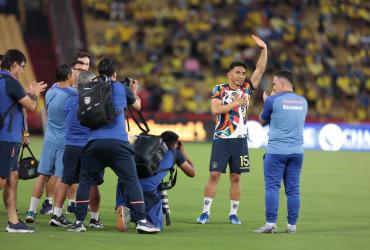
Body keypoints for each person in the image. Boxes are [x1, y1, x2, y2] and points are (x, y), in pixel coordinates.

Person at [68, 57, 159, 233]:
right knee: (131, 180)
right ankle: (141, 221)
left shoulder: (90, 86)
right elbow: (138, 107)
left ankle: (79, 222)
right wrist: (133, 90)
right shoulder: (120, 87)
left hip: (94, 142)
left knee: (85, 181)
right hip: (118, 142)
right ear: (114, 74)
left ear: (99, 72)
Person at [196, 34, 267, 225]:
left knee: (236, 177)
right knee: (214, 175)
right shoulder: (219, 89)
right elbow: (215, 109)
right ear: (229, 74)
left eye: (243, 73)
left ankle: (233, 214)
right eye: (238, 72)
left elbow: (260, 70)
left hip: (240, 140)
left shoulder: (247, 89)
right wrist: (235, 103)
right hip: (222, 137)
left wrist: (264, 49)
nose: (241, 76)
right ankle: (205, 212)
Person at [254, 70, 308, 234]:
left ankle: (270, 224)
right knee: (293, 189)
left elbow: (262, 121)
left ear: (283, 84)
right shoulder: (303, 101)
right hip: (297, 152)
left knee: (272, 187)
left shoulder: (272, 100)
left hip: (276, 151)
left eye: (275, 83)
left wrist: (266, 102)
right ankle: (292, 226)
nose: (274, 87)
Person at [50, 70, 104, 229]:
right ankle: (94, 219)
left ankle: (56, 214)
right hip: (88, 146)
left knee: (66, 180)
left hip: (71, 146)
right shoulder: (95, 102)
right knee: (93, 183)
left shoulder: (70, 101)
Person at [40, 51, 92, 215]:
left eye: (87, 65)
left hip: (72, 136)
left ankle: (71, 203)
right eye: (81, 65)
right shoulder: (62, 87)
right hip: (63, 135)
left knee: (70, 171)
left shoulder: (84, 85)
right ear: (73, 68)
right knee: (55, 172)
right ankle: (49, 202)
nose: (84, 68)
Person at [0, 49, 46, 232]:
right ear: (13, 65)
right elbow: (32, 106)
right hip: (6, 138)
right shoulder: (11, 82)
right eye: (22, 66)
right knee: (3, 181)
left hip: (8, 137)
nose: (22, 70)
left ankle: (13, 221)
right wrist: (33, 93)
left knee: (12, 179)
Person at [25, 64, 77, 223]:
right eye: (73, 74)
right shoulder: (73, 95)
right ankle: (57, 214)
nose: (75, 76)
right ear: (68, 76)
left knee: (42, 176)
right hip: (64, 141)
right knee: (62, 178)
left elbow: (59, 85)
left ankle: (31, 211)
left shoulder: (51, 91)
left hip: (49, 139)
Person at [116, 131, 195, 231]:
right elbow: (192, 173)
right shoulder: (175, 153)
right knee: (156, 225)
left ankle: (124, 208)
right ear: (174, 144)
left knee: (126, 180)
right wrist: (183, 154)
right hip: (146, 191)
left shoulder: (144, 148)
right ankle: (133, 216)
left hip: (124, 187)